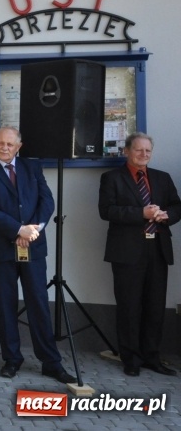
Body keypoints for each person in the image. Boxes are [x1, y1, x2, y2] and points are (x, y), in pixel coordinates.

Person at [0, 126, 75, 383]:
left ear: (19, 146)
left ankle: (51, 362)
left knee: (38, 303)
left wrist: (34, 229)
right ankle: (12, 359)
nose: (4, 148)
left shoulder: (32, 168)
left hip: (33, 246)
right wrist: (18, 229)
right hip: (0, 251)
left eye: (9, 144)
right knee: (6, 305)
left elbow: (47, 201)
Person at [98, 132, 181, 377]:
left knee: (155, 307)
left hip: (157, 249)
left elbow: (177, 205)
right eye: (138, 150)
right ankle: (130, 359)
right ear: (126, 151)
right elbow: (107, 211)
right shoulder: (112, 178)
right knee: (129, 307)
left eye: (148, 151)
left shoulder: (162, 178)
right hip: (127, 251)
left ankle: (152, 358)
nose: (144, 154)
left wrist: (167, 216)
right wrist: (140, 213)